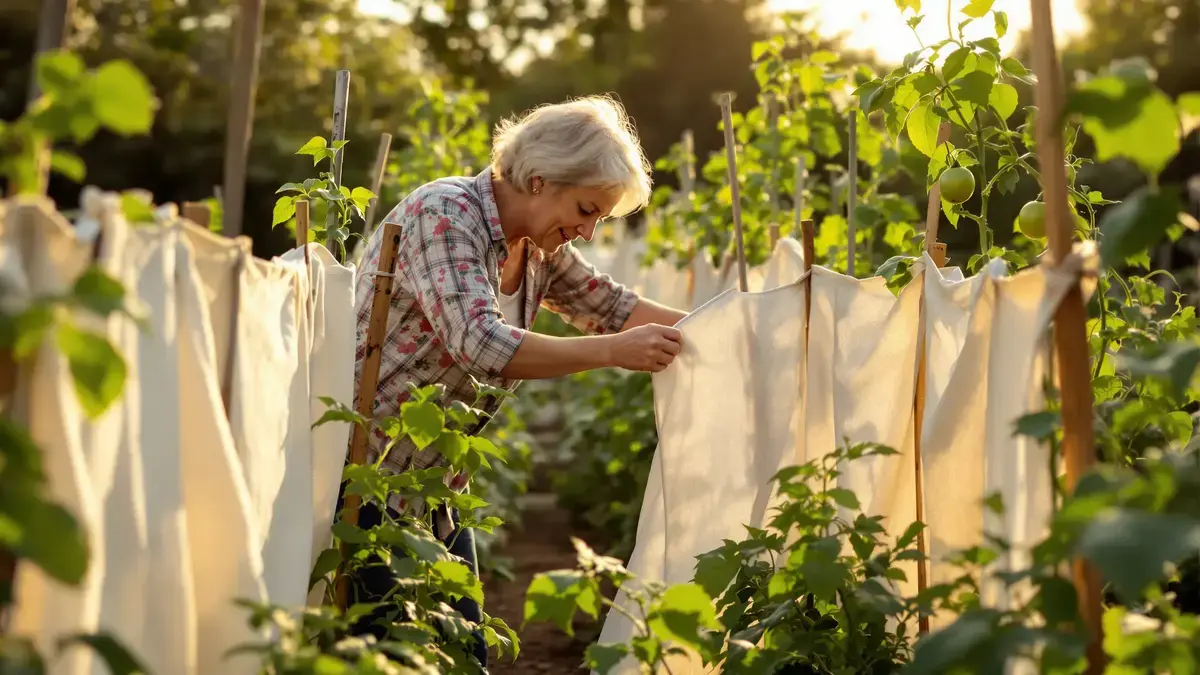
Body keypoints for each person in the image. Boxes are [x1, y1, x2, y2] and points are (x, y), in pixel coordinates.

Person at [345, 95, 687, 669]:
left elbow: (613, 307)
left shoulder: (533, 247)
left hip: (432, 486)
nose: (587, 230)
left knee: (462, 654)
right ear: (538, 180)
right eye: (585, 209)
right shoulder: (444, 214)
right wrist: (613, 354)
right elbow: (481, 343)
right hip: (364, 480)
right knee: (388, 656)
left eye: (600, 218)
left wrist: (741, 330)